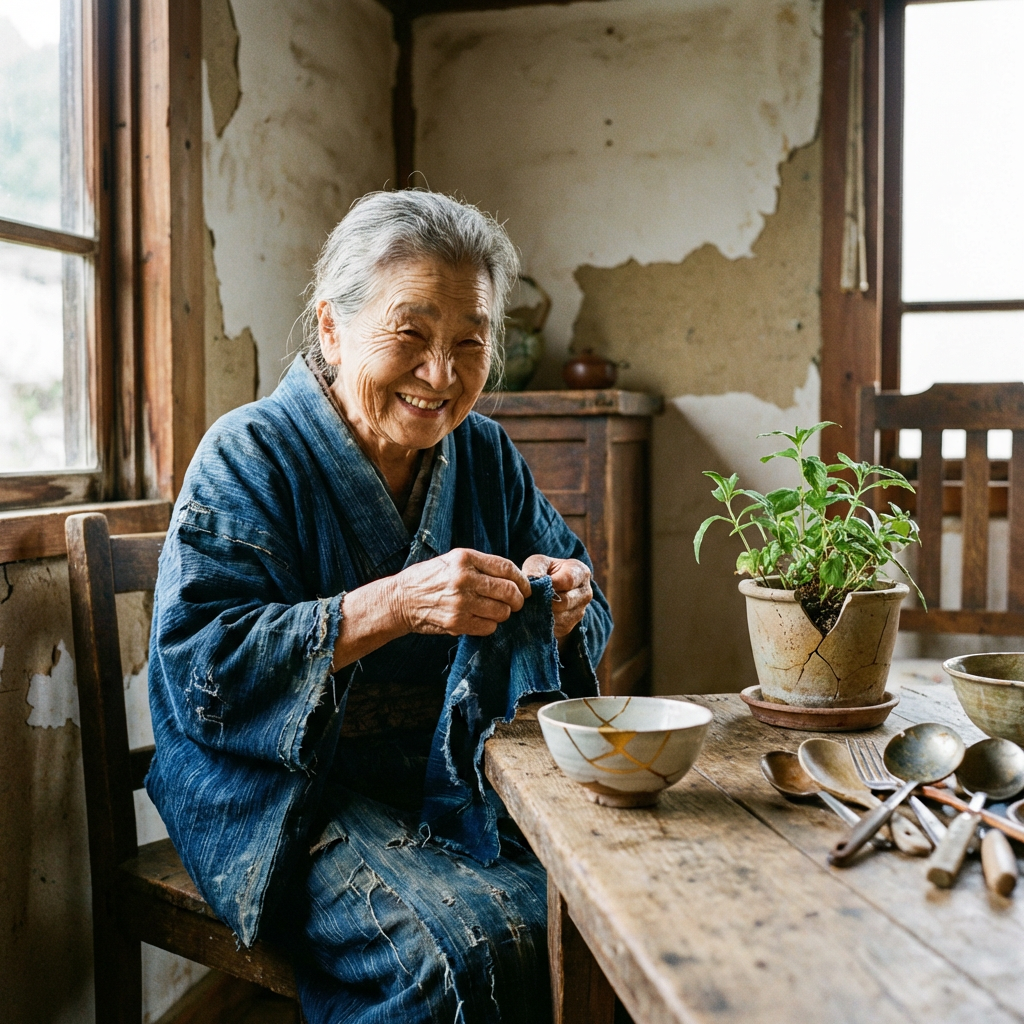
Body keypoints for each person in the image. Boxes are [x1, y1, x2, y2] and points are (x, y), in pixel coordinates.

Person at [145, 189, 612, 1023]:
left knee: (605, 907)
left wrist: (567, 598)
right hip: (280, 794)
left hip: (452, 777)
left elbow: (578, 585)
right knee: (464, 955)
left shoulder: (484, 454)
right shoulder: (249, 453)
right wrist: (395, 603)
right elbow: (200, 669)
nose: (442, 375)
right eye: (412, 334)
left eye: (470, 342)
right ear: (331, 327)